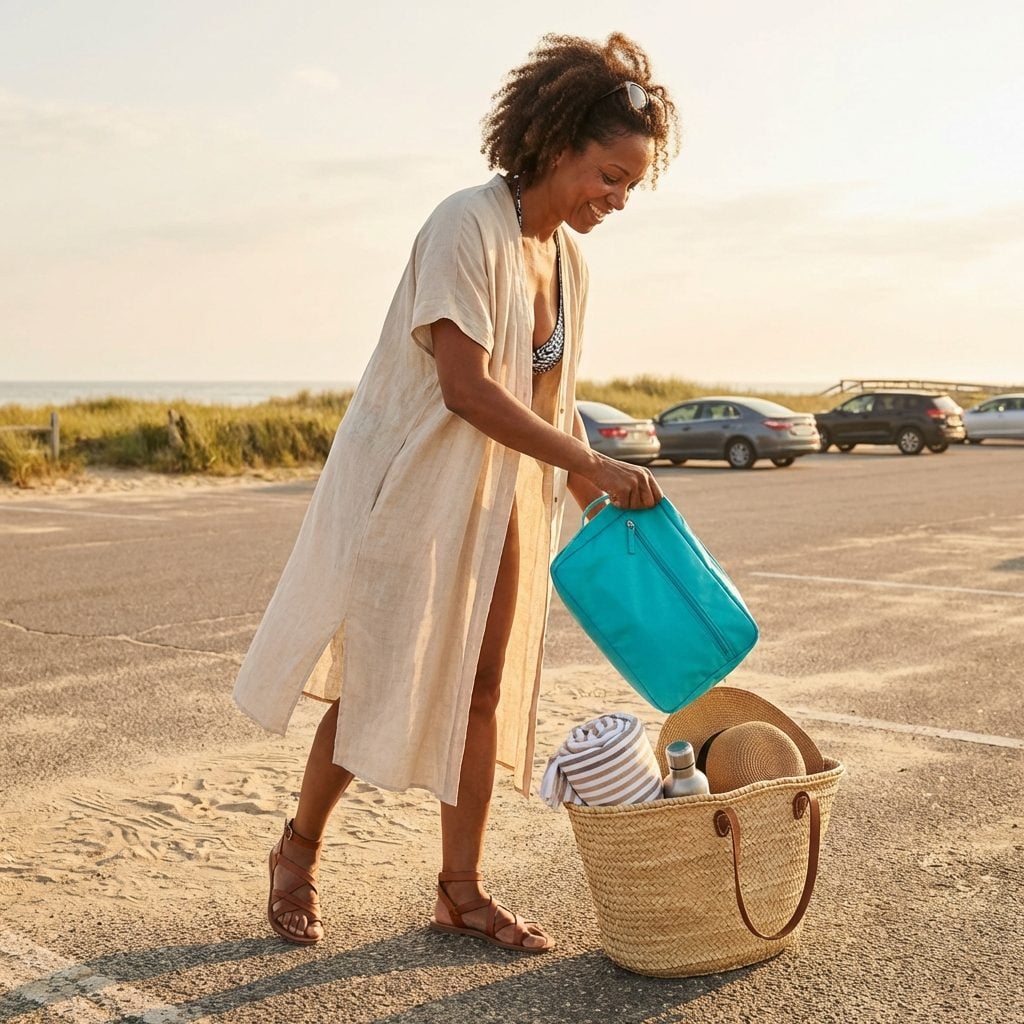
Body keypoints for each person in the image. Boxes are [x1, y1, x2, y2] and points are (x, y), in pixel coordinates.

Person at [232, 31, 680, 954]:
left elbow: (549, 401)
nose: (618, 199)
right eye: (609, 174)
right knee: (374, 684)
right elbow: (467, 387)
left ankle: (461, 891)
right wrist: (591, 465)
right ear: (557, 147)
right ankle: (297, 850)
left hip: (498, 500)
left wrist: (588, 487)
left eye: (632, 184)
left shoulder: (569, 262)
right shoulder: (464, 226)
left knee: (480, 691)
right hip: (412, 488)